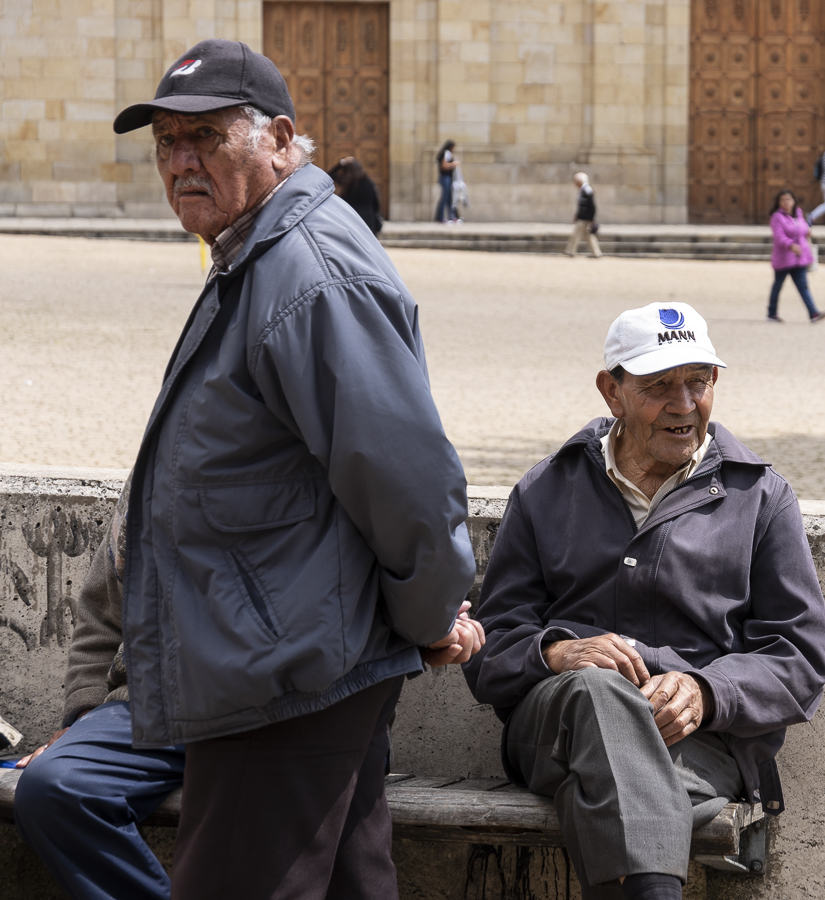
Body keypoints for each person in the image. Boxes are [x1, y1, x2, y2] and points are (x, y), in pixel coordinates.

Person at [14, 38, 483, 900]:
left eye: (206, 138)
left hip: (285, 685)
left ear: (277, 138)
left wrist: (426, 619)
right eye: (165, 142)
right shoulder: (256, 253)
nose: (180, 162)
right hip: (283, 667)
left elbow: (406, 479)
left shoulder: (307, 272)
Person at [463, 301, 825, 900]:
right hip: (555, 730)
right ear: (612, 392)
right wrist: (556, 654)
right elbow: (489, 651)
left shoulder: (761, 497)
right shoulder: (544, 490)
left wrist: (708, 691)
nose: (684, 405)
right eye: (660, 386)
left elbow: (800, 658)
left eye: (699, 382)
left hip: (697, 748)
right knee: (596, 691)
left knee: (613, 783)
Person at [767, 189, 825, 323]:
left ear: (793, 201)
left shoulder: (798, 214)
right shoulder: (777, 217)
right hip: (784, 258)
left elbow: (803, 227)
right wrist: (790, 245)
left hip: (799, 257)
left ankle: (813, 313)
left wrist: (807, 231)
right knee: (778, 285)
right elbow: (779, 236)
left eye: (788, 199)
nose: (786, 202)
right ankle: (771, 313)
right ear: (778, 203)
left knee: (803, 285)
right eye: (783, 200)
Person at [328, 156, 383, 235]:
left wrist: (341, 163)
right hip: (368, 219)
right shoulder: (368, 183)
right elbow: (375, 203)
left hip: (352, 219)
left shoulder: (347, 184)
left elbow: (329, 174)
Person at [564, 172, 602, 258]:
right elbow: (581, 206)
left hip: (585, 218)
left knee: (575, 234)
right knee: (588, 236)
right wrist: (577, 215)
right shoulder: (582, 189)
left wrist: (591, 218)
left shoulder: (587, 190)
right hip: (583, 217)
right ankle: (597, 253)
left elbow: (592, 206)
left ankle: (570, 251)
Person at [434, 140, 459, 223]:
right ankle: (441, 217)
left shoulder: (445, 153)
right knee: (445, 198)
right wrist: (454, 164)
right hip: (446, 178)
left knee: (448, 198)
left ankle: (450, 216)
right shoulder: (447, 153)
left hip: (445, 178)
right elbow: (444, 165)